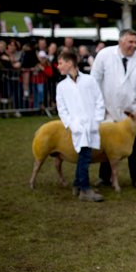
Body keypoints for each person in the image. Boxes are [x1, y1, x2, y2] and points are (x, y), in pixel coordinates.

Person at [91, 29, 136, 190]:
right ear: (121, 41)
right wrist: (96, 105)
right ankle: (104, 178)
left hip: (134, 114)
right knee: (107, 146)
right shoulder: (104, 55)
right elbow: (94, 81)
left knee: (135, 147)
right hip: (109, 110)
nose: (134, 46)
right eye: (130, 42)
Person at [54, 51, 105, 202]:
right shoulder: (62, 86)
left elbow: (99, 100)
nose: (58, 66)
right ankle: (84, 189)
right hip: (77, 127)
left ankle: (78, 185)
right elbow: (62, 109)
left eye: (61, 63)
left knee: (84, 155)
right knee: (84, 156)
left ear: (70, 63)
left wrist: (96, 121)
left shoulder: (89, 80)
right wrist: (71, 124)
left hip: (91, 125)